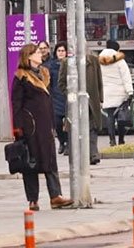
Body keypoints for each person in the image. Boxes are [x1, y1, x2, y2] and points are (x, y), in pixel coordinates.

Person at [12, 44, 73, 210]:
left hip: (46, 124)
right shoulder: (20, 76)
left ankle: (55, 196)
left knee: (50, 160)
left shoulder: (45, 73)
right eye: (37, 52)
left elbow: (49, 99)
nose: (40, 54)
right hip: (30, 126)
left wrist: (54, 122)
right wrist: (17, 128)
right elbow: (16, 104)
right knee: (30, 162)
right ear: (29, 56)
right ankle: (33, 199)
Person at [60, 46, 104, 165]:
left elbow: (99, 81)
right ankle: (77, 154)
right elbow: (61, 83)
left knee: (92, 127)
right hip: (74, 102)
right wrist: (71, 95)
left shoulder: (93, 60)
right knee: (75, 127)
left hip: (91, 100)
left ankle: (93, 153)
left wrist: (100, 99)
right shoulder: (66, 63)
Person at [99, 40, 134, 146]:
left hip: (106, 93)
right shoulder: (120, 61)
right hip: (120, 93)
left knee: (110, 116)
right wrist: (130, 91)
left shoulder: (99, 60)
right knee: (121, 117)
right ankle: (121, 139)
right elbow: (126, 77)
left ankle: (112, 140)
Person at [45, 42, 68, 154]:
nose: (61, 53)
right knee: (57, 123)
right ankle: (62, 141)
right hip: (55, 97)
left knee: (69, 122)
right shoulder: (51, 65)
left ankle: (69, 143)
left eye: (63, 51)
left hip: (67, 97)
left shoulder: (71, 64)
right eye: (59, 51)